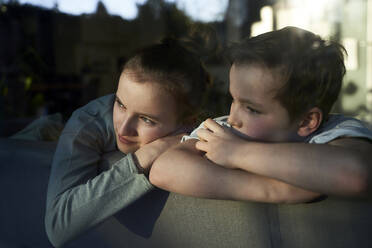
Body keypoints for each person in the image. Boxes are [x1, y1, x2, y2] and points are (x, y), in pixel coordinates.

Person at [149, 26, 372, 204]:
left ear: (307, 121)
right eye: (233, 100)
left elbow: (356, 175)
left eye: (251, 108)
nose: (232, 117)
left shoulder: (337, 132)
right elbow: (163, 169)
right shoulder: (224, 131)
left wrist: (238, 152)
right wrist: (274, 190)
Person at [44, 36, 213, 247]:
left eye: (146, 119)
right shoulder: (86, 127)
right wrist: (149, 153)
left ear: (187, 123)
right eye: (120, 104)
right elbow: (58, 226)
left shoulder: (200, 129)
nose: (123, 128)